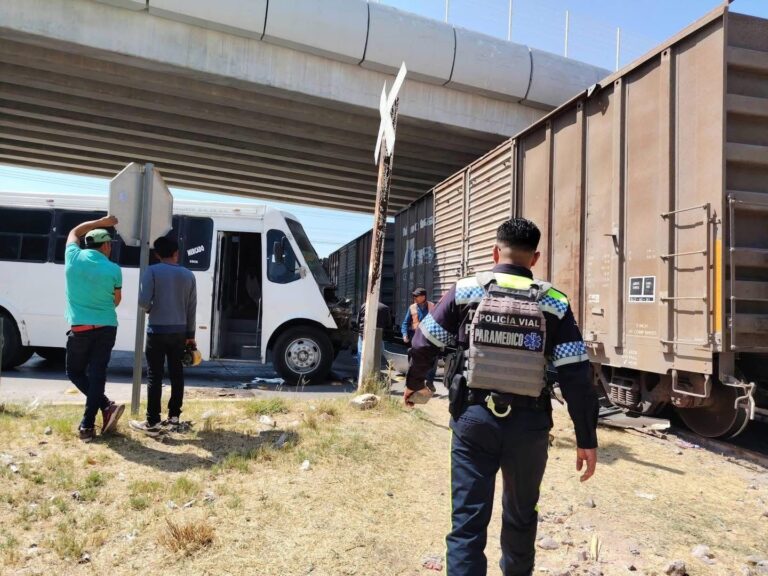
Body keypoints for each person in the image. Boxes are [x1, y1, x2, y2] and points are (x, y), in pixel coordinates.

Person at [404, 218, 599, 576]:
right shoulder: (554, 302)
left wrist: (415, 385)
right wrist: (586, 438)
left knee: (467, 523)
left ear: (496, 251)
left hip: (473, 420)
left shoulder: (465, 291)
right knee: (522, 519)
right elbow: (577, 375)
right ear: (535, 258)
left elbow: (421, 343)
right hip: (529, 426)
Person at [64, 215, 125, 442]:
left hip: (80, 328)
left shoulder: (72, 257)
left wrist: (101, 220)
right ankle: (92, 420)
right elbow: (116, 300)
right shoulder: (113, 269)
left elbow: (75, 230)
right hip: (107, 326)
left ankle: (101, 410)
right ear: (106, 246)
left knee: (75, 372)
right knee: (98, 373)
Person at [130, 236, 197, 436]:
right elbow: (191, 308)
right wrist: (190, 335)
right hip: (179, 332)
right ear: (176, 253)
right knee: (177, 374)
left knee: (155, 376)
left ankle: (153, 421)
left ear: (157, 254)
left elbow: (143, 302)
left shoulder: (151, 271)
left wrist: (152, 308)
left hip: (157, 331)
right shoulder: (188, 275)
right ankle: (174, 417)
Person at [401, 287, 437, 391]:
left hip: (429, 338)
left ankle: (429, 382)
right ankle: (410, 384)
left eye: (417, 296)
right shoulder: (412, 308)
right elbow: (405, 323)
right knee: (413, 360)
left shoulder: (432, 307)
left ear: (423, 297)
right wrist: (404, 334)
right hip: (416, 337)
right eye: (414, 296)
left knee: (432, 359)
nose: (414, 297)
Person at [356, 301, 392, 368]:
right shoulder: (385, 307)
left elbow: (357, 321)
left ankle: (361, 375)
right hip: (378, 336)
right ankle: (374, 372)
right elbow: (388, 323)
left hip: (363, 335)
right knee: (378, 356)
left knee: (361, 355)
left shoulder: (363, 305)